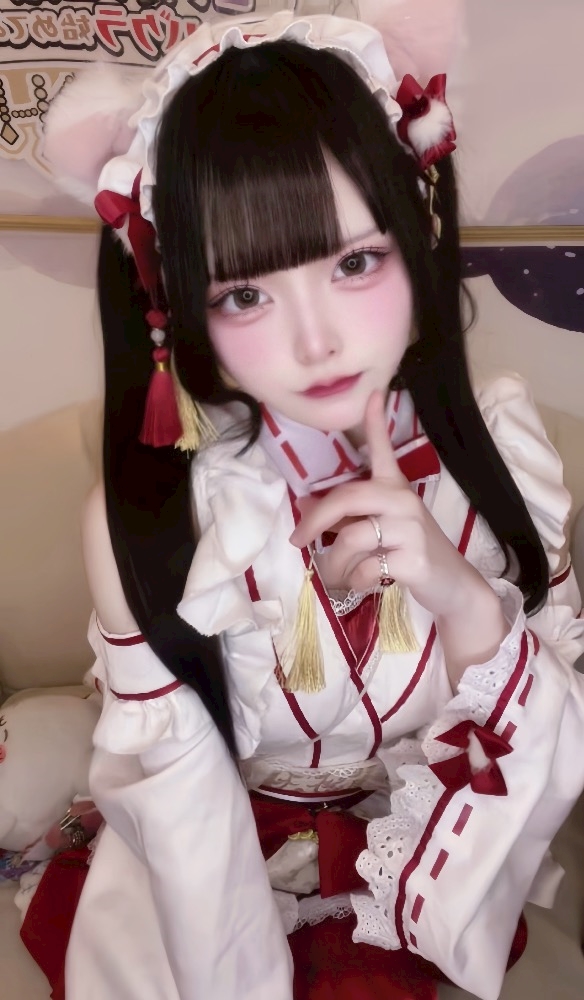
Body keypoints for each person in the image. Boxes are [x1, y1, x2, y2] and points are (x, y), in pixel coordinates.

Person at [36, 9, 584, 1000]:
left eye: (354, 262)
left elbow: (554, 737)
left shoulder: (501, 456)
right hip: (217, 868)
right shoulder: (153, 517)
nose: (316, 341)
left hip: (425, 843)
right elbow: (187, 815)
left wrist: (461, 597)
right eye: (244, 295)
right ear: (174, 307)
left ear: (418, 232)